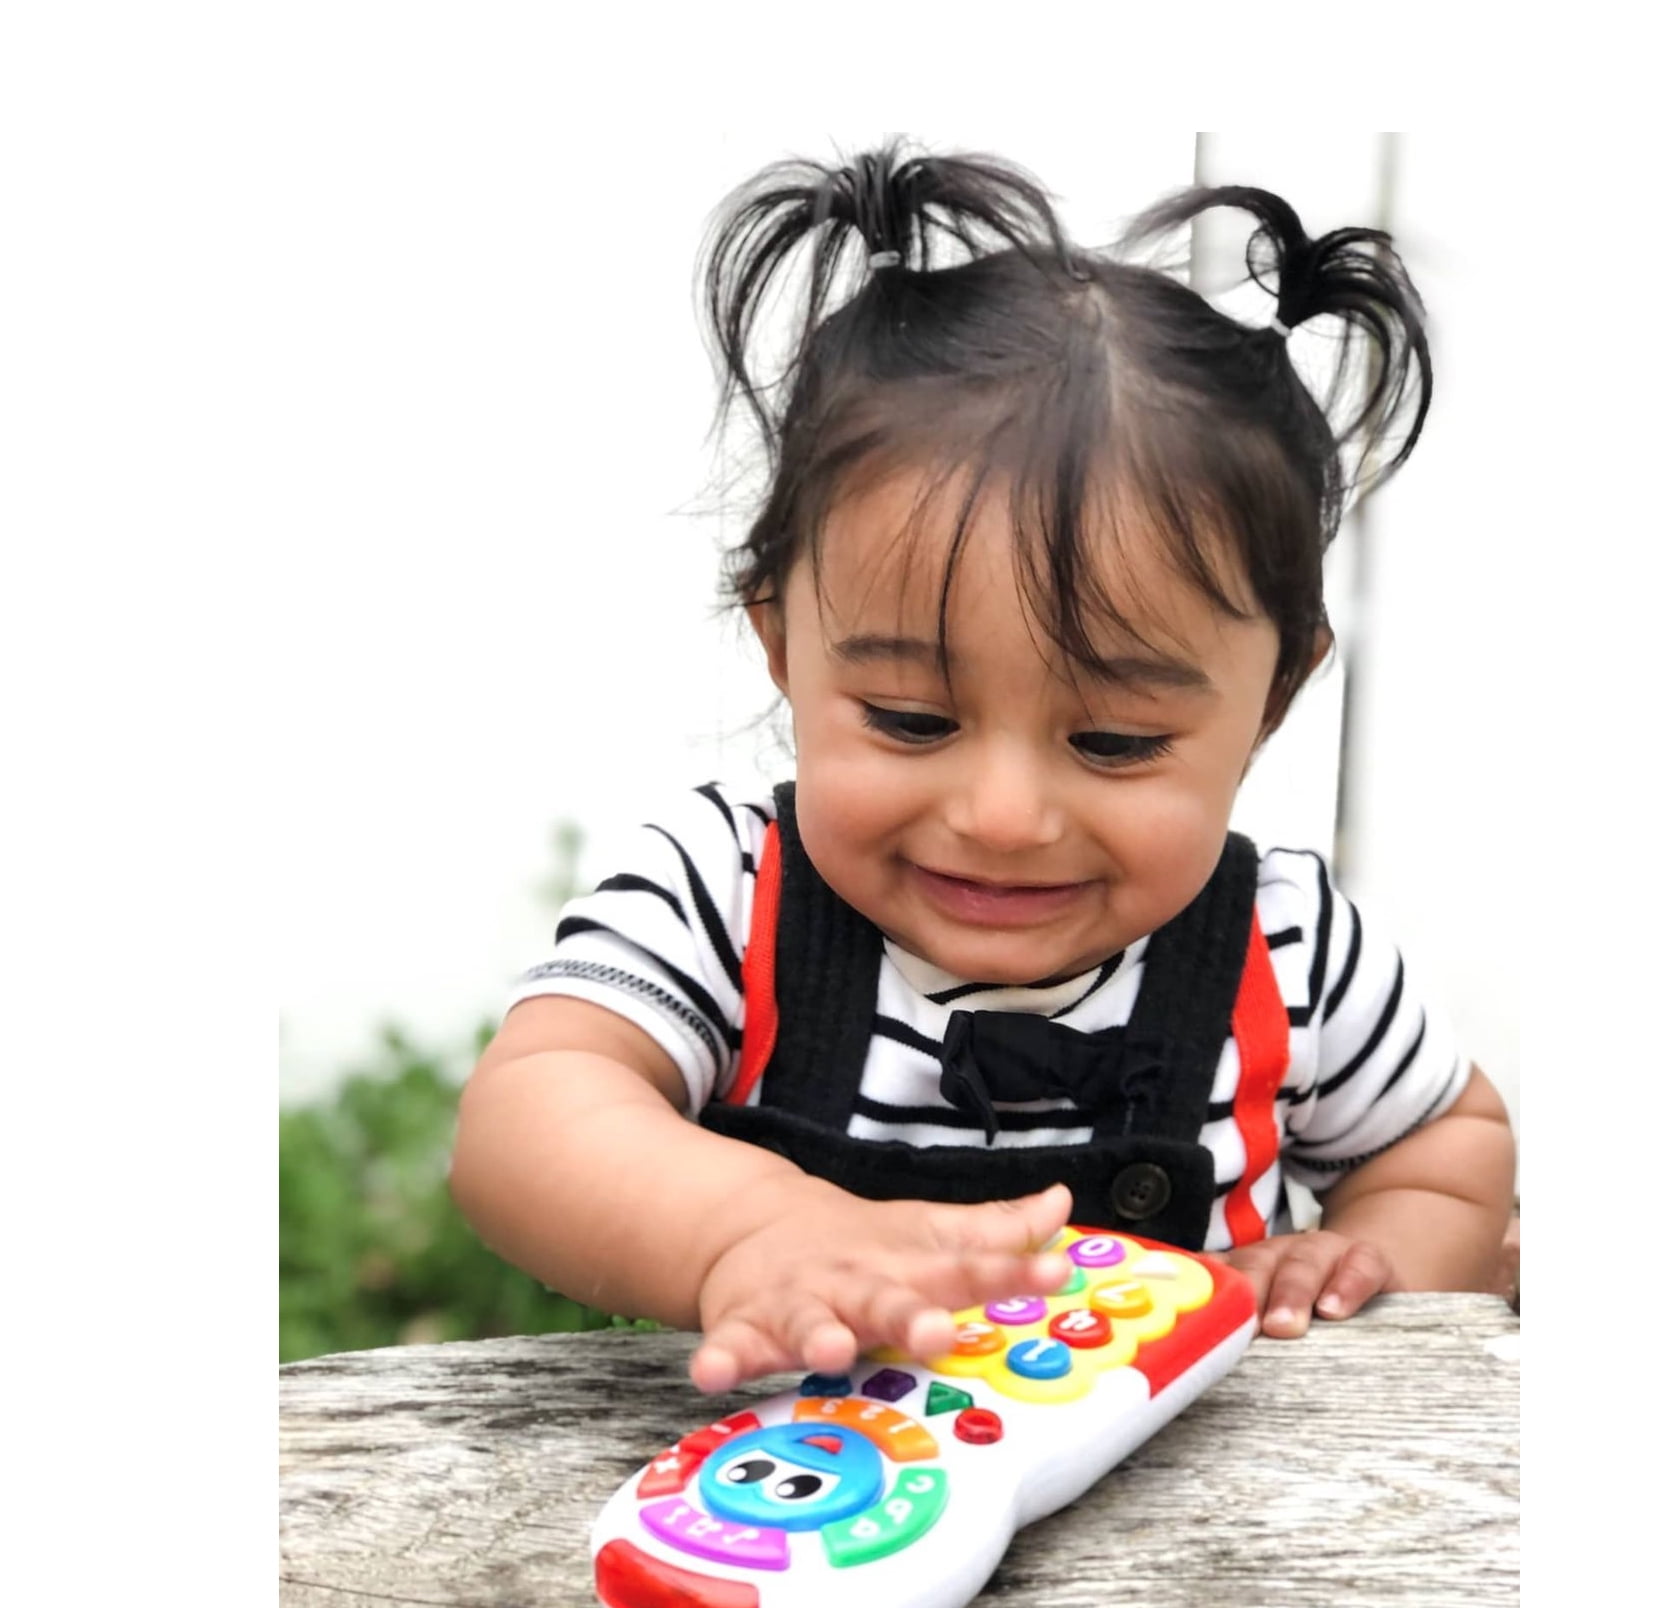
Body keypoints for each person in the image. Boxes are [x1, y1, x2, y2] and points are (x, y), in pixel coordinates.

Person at [449, 141, 1516, 1396]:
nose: (1004, 818)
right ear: (782, 646)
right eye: (911, 719)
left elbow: (1447, 1150)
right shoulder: (727, 892)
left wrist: (1363, 1263)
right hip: (814, 1495)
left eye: (1114, 742)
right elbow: (529, 1118)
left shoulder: (1287, 951)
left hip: (1215, 1512)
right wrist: (750, 1228)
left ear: (1273, 699)